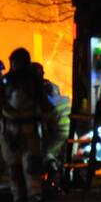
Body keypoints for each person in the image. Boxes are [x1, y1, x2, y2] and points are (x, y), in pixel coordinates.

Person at [0, 48, 55, 202]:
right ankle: (19, 196)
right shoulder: (4, 82)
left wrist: (48, 122)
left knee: (32, 164)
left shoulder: (34, 82)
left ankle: (35, 194)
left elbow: (45, 104)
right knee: (14, 166)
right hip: (10, 129)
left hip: (30, 127)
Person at [33, 62, 71, 194]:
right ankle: (54, 183)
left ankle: (55, 180)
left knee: (46, 154)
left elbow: (46, 119)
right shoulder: (63, 99)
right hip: (69, 133)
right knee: (58, 157)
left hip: (57, 133)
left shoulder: (44, 99)